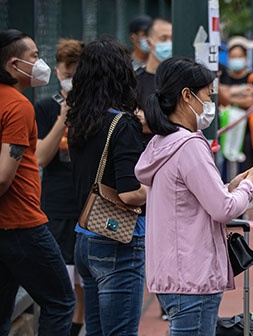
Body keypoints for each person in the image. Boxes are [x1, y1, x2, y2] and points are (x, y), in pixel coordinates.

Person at [135, 56, 253, 335]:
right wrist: (249, 185)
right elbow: (223, 208)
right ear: (187, 96)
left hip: (175, 273)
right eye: (208, 95)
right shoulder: (189, 144)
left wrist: (237, 184)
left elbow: (194, 198)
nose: (211, 104)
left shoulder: (163, 143)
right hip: (192, 275)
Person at [66, 39, 147, 335]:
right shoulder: (123, 124)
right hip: (118, 239)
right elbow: (129, 192)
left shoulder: (79, 120)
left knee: (97, 330)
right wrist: (162, 188)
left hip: (85, 237)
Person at [0, 29, 75, 336]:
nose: (40, 62)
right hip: (22, 225)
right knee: (60, 301)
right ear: (14, 65)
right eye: (34, 57)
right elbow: (4, 175)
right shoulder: (18, 105)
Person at [33, 37, 85, 336]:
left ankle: (77, 327)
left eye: (78, 72)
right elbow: (41, 156)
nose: (72, 79)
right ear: (57, 72)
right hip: (57, 202)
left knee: (85, 279)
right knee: (62, 276)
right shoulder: (44, 108)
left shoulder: (98, 110)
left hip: (89, 203)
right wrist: (63, 117)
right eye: (67, 72)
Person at [218, 36, 253, 173]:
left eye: (239, 56)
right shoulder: (224, 76)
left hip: (247, 130)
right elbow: (221, 97)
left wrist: (230, 95)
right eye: (233, 56)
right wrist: (241, 93)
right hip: (226, 128)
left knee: (246, 164)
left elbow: (250, 101)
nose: (236, 59)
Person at [136, 17, 172, 109]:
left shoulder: (179, 79)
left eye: (172, 39)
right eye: (163, 38)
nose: (169, 43)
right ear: (148, 43)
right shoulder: (135, 82)